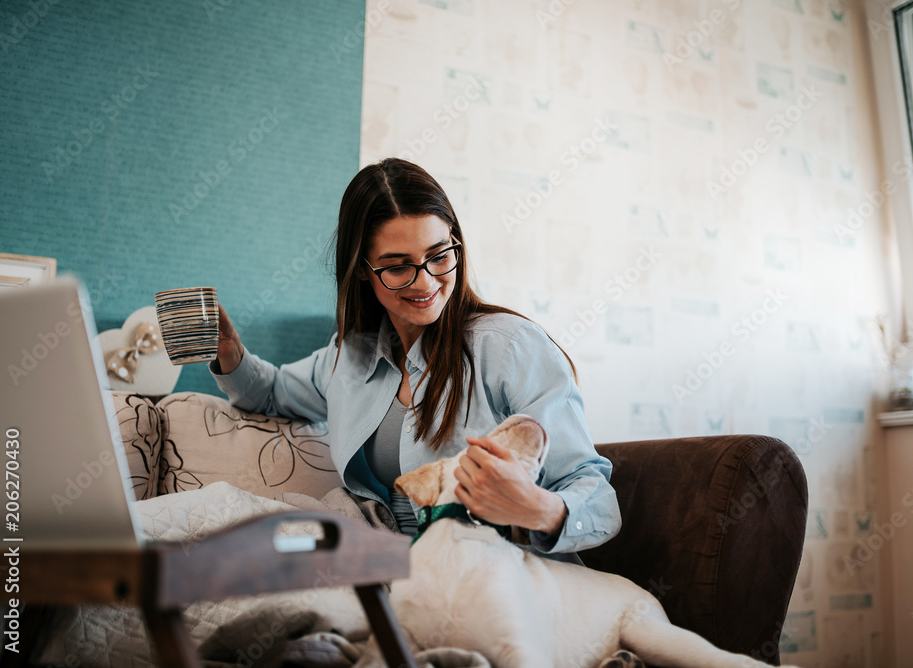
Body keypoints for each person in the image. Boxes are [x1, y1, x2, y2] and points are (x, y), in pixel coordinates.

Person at [209, 158, 620, 556]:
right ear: (362, 271)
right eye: (397, 266)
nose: (425, 282)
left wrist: (536, 508)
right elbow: (272, 393)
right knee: (223, 534)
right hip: (398, 575)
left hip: (496, 581)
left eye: (439, 255)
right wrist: (231, 351)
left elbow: (597, 496)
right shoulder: (349, 355)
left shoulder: (509, 347)